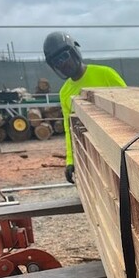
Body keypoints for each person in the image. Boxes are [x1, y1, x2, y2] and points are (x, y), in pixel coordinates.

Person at [43, 31, 126, 183]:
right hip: (92, 155)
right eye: (57, 61)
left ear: (74, 52)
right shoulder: (64, 93)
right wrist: (70, 160)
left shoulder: (106, 74)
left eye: (64, 57)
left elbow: (130, 108)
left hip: (119, 149)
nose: (62, 63)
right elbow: (70, 130)